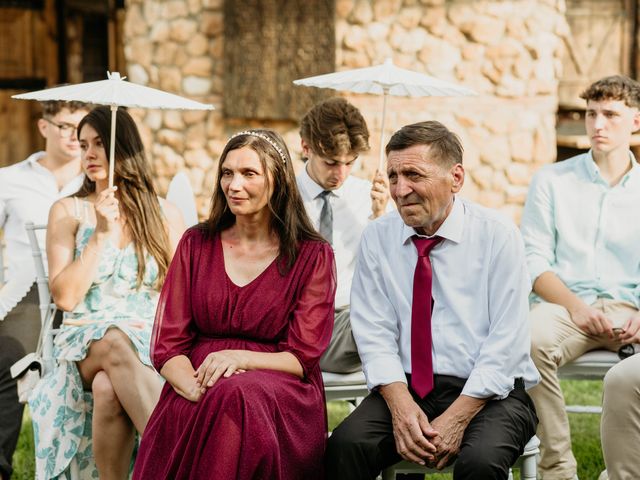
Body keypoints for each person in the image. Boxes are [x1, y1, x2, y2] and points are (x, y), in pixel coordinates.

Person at [326, 121, 539, 480]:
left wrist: (458, 417)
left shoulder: (498, 236)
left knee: (480, 464)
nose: (399, 189)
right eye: (393, 175)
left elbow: (507, 343)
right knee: (345, 447)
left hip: (493, 394)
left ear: (456, 178)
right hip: (406, 387)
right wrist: (401, 406)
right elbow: (374, 334)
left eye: (413, 174)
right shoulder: (378, 238)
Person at [132, 129, 336, 480]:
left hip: (279, 386)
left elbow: (301, 356)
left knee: (237, 394)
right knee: (229, 396)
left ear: (279, 181)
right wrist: (197, 389)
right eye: (227, 173)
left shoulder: (313, 255)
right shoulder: (196, 243)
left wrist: (238, 359)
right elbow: (168, 346)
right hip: (195, 380)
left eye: (248, 174)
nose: (234, 185)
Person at [28, 105, 185, 480]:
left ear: (126, 149)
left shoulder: (165, 215)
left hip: (149, 340)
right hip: (85, 339)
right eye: (83, 145)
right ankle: (179, 464)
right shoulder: (68, 211)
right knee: (114, 339)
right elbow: (65, 298)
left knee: (107, 388)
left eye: (99, 144)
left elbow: (182, 296)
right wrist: (99, 235)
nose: (89, 154)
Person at [520, 75, 640, 480]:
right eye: (591, 114)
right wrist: (577, 308)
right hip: (565, 308)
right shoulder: (551, 181)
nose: (598, 124)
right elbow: (534, 261)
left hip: (632, 309)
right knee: (527, 339)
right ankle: (558, 470)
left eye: (610, 114)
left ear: (636, 121)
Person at [0, 100, 90, 480]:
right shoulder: (8, 178)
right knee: (7, 360)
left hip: (83, 291)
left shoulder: (99, 178)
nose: (75, 137)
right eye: (66, 126)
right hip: (24, 292)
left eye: (82, 130)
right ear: (43, 127)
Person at [297, 97, 390, 373]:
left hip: (352, 315)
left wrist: (380, 218)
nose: (341, 173)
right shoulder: (282, 196)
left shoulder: (369, 196)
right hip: (302, 321)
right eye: (331, 162)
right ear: (306, 147)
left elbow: (386, 270)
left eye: (350, 163)